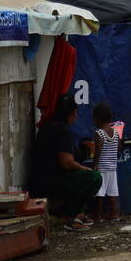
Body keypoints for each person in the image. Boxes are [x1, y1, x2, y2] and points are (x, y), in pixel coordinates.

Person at [29, 93, 101, 231]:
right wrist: (85, 169)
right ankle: (69, 216)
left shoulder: (46, 127)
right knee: (93, 178)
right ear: (73, 113)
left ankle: (76, 213)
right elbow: (66, 163)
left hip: (37, 182)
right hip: (50, 183)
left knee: (82, 176)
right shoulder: (62, 132)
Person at [89, 102, 121, 223]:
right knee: (113, 192)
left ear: (97, 119)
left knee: (99, 193)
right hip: (113, 167)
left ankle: (98, 216)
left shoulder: (99, 133)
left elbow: (98, 151)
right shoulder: (115, 132)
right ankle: (115, 214)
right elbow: (119, 147)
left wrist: (94, 165)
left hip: (102, 168)